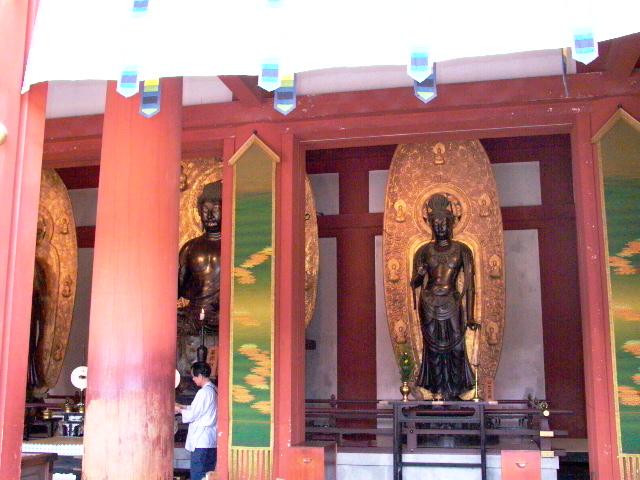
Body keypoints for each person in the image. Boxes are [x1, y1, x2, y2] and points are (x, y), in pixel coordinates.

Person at [411, 194, 479, 400]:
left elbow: (470, 286)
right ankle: (437, 392)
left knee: (457, 347)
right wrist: (420, 274)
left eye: (443, 222)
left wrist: (470, 316)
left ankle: (455, 391)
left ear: (452, 223)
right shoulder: (423, 251)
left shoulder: (462, 250)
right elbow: (414, 283)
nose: (440, 226)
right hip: (429, 302)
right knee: (432, 349)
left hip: (452, 301)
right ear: (430, 225)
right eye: (436, 223)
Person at [178, 181, 222, 335]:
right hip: (195, 315)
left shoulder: (235, 247)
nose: (209, 216)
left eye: (215, 209)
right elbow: (178, 289)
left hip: (225, 314)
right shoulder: (190, 248)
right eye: (204, 210)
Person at [175, 362, 218, 480]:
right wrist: (182, 407)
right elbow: (199, 409)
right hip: (211, 440)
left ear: (200, 376)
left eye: (194, 376)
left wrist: (179, 410)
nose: (193, 379)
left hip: (201, 441)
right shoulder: (214, 389)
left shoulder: (203, 392)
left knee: (198, 475)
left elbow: (193, 414)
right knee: (208, 475)